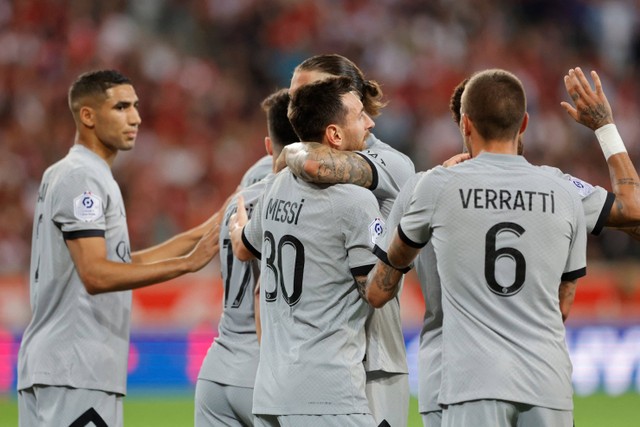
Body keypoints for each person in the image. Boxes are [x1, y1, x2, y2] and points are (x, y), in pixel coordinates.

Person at [367, 68, 588, 427]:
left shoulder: (436, 186)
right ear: (524, 124)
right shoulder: (563, 192)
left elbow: (380, 288)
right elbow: (563, 303)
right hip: (548, 381)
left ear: (465, 124)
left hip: (471, 381)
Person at [17, 70, 220, 427]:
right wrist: (187, 265)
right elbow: (96, 273)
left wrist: (203, 232)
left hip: (63, 368)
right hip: (76, 368)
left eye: (136, 107)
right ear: (88, 116)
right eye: (121, 107)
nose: (136, 117)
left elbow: (119, 262)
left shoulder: (75, 172)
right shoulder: (83, 178)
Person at [230, 76, 382, 426]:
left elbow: (244, 245)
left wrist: (237, 225)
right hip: (328, 394)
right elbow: (374, 291)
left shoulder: (275, 184)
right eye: (360, 115)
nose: (370, 123)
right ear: (335, 134)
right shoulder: (357, 201)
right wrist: (403, 247)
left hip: (271, 392)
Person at [275, 53, 415, 427]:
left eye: (308, 94)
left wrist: (288, 152)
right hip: (307, 365)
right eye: (292, 97)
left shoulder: (391, 163)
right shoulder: (282, 174)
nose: (295, 107)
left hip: (373, 360)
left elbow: (316, 164)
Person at [194, 88, 299, 427]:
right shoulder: (294, 205)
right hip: (264, 369)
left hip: (217, 367)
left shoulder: (237, 201)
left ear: (269, 146)